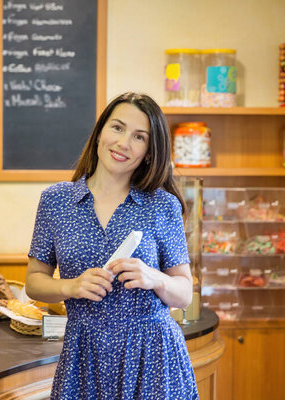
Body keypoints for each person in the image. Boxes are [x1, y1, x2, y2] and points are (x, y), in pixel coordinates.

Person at [26, 92, 198, 399]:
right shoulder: (55, 201)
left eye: (139, 137)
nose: (123, 143)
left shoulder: (162, 205)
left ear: (148, 151)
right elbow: (33, 282)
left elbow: (184, 293)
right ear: (100, 133)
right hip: (84, 352)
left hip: (153, 357)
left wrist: (154, 278)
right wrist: (72, 287)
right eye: (117, 128)